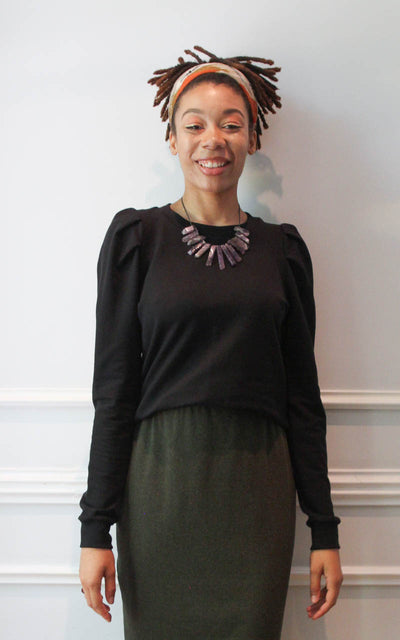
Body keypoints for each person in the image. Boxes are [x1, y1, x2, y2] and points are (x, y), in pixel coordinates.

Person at [78, 45, 343, 639]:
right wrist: (95, 528)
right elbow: (114, 390)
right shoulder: (137, 239)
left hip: (258, 491)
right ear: (172, 139)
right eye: (194, 124)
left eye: (230, 124)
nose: (212, 139)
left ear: (252, 137)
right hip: (160, 486)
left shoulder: (284, 252)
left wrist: (324, 528)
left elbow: (303, 397)